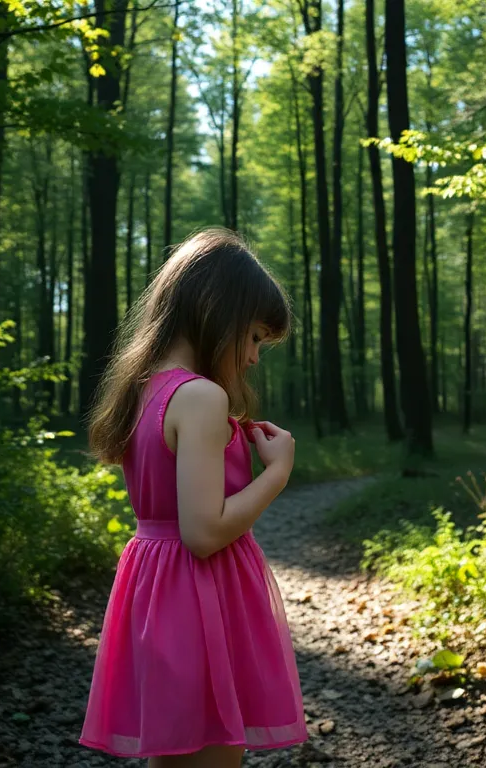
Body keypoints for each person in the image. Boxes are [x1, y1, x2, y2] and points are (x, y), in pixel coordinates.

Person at [79, 228, 307, 767]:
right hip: (198, 596)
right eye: (253, 337)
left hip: (160, 592)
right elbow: (203, 534)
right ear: (217, 313)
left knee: (178, 753)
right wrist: (277, 474)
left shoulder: (146, 389)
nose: (253, 357)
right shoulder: (201, 397)